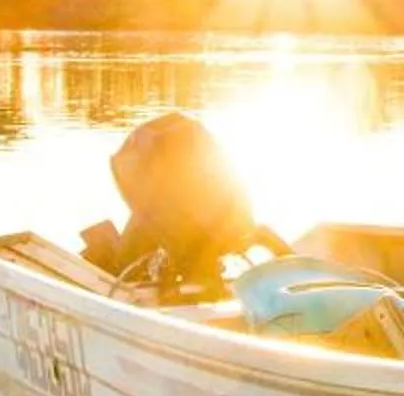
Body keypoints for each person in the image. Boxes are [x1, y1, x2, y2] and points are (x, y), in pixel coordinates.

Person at [79, 112, 286, 291]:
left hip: (193, 233)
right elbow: (263, 233)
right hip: (165, 243)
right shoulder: (166, 215)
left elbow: (262, 233)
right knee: (132, 253)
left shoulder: (229, 219)